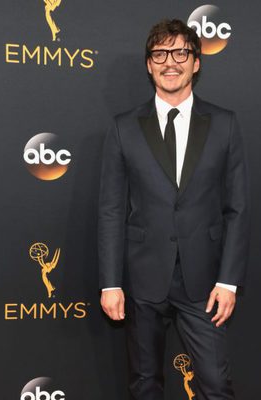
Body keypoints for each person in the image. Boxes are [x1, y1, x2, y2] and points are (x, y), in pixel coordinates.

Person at [98, 19, 250, 400]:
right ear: (149, 64)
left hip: (205, 282)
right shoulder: (123, 128)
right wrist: (110, 282)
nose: (171, 62)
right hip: (143, 276)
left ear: (196, 62)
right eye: (160, 53)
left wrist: (228, 281)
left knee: (216, 384)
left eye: (181, 52)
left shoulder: (225, 124)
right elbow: (112, 209)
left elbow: (238, 208)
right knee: (145, 383)